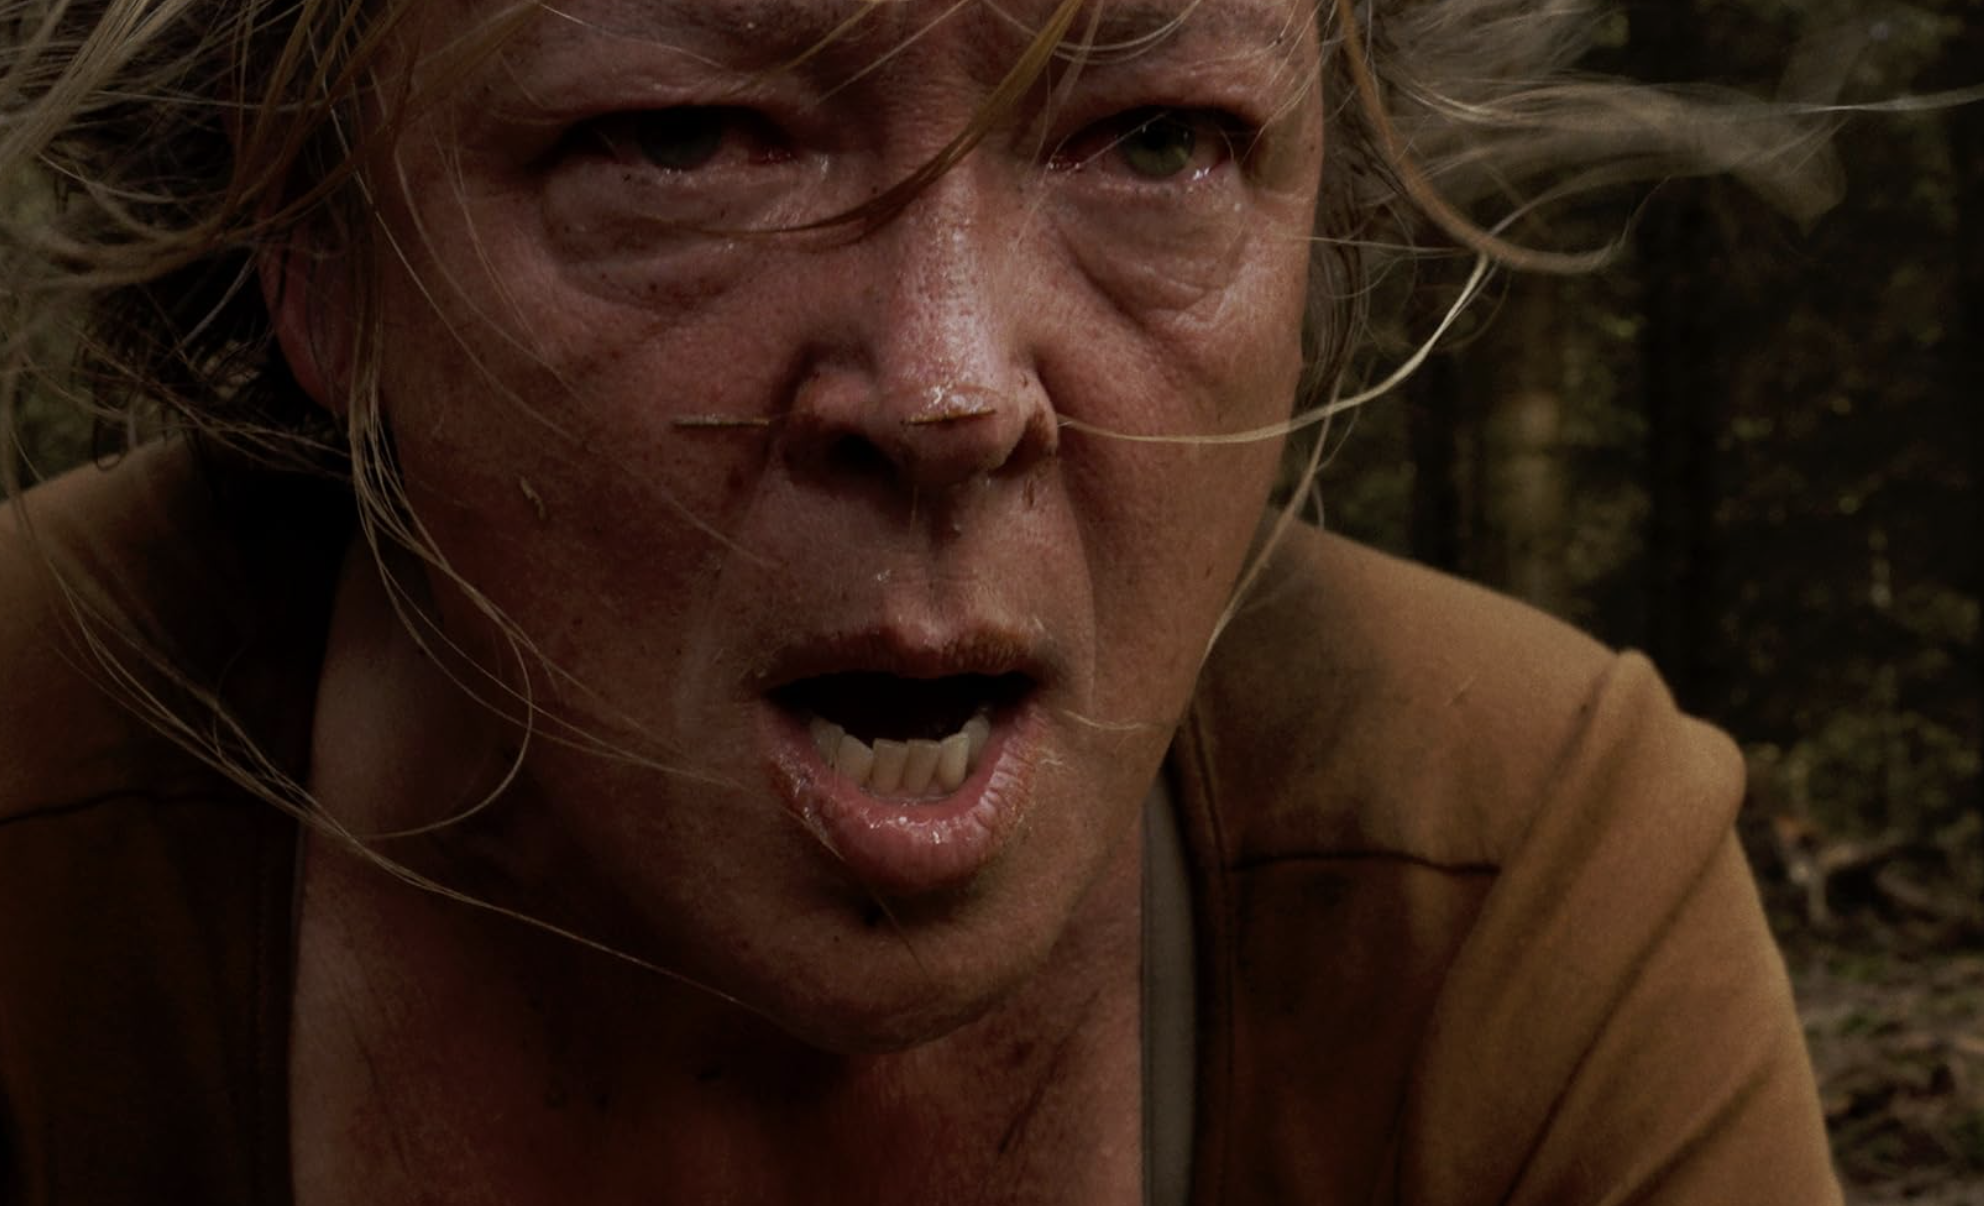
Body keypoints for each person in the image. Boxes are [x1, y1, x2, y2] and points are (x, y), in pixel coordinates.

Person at [0, 0, 1843, 1201]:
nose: (952, 392)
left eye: (1157, 138)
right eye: (681, 138)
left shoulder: (1513, 900)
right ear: (315, 245)